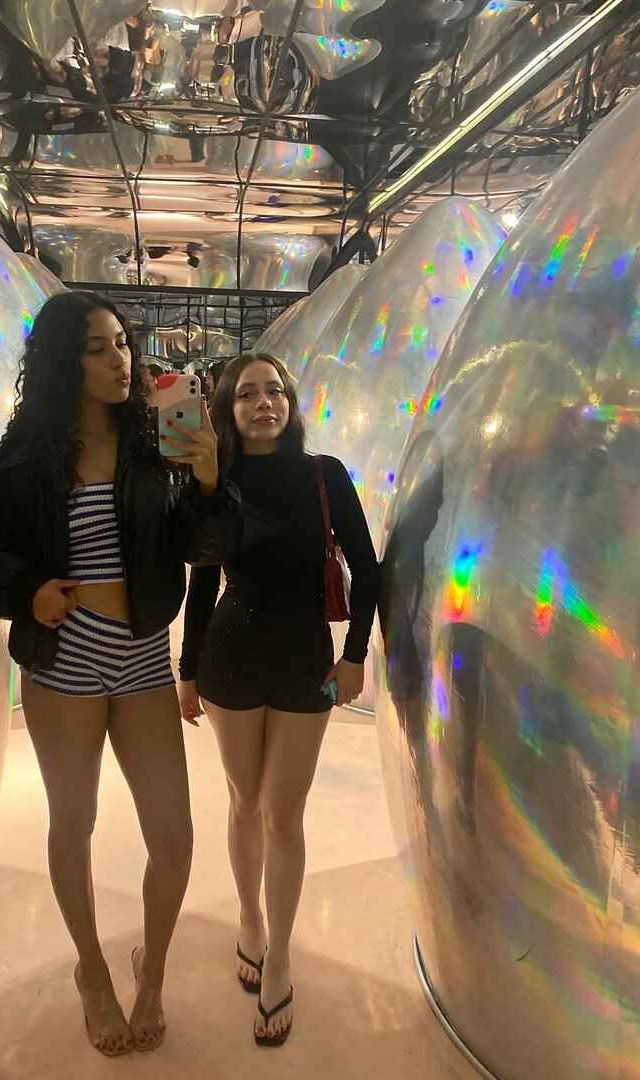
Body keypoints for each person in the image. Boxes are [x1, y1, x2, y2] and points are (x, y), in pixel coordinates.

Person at [0, 292, 241, 1056]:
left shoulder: (153, 444)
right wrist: (26, 591)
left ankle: (150, 971)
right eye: (97, 348)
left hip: (140, 656)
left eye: (123, 343)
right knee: (75, 822)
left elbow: (201, 547)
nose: (120, 359)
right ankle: (92, 972)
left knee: (174, 835)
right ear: (64, 361)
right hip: (63, 657)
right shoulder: (26, 453)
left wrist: (206, 481)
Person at [178, 352, 379, 1047]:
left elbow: (367, 569)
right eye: (247, 394)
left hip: (304, 659)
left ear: (290, 403)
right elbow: (203, 578)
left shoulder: (324, 475)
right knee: (244, 801)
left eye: (275, 391)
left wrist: (356, 654)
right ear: (228, 409)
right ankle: (250, 920)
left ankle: (281, 955)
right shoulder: (217, 479)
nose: (263, 402)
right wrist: (186, 669)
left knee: (283, 814)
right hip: (229, 655)